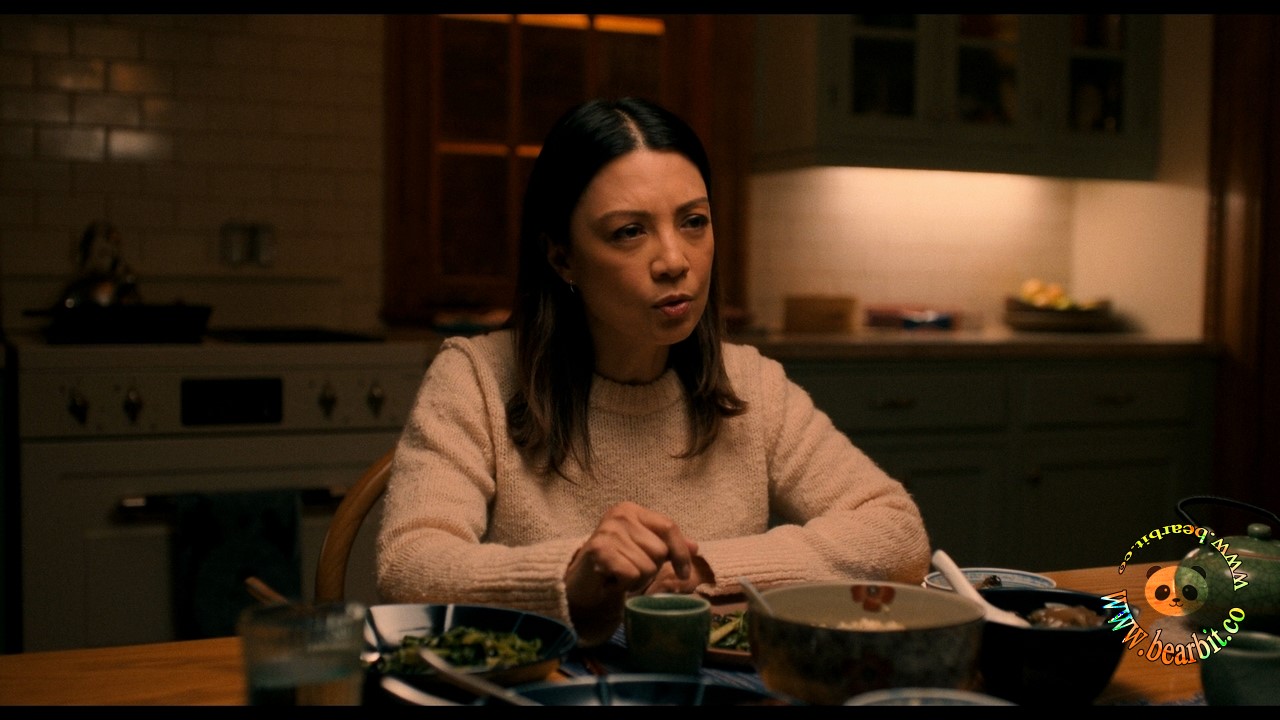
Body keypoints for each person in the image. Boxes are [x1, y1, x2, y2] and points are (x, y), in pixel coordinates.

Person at [376, 97, 931, 646]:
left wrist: (704, 570)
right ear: (562, 257)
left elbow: (896, 533)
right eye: (629, 232)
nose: (674, 260)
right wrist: (571, 577)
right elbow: (408, 567)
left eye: (693, 222)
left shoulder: (752, 385)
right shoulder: (475, 379)